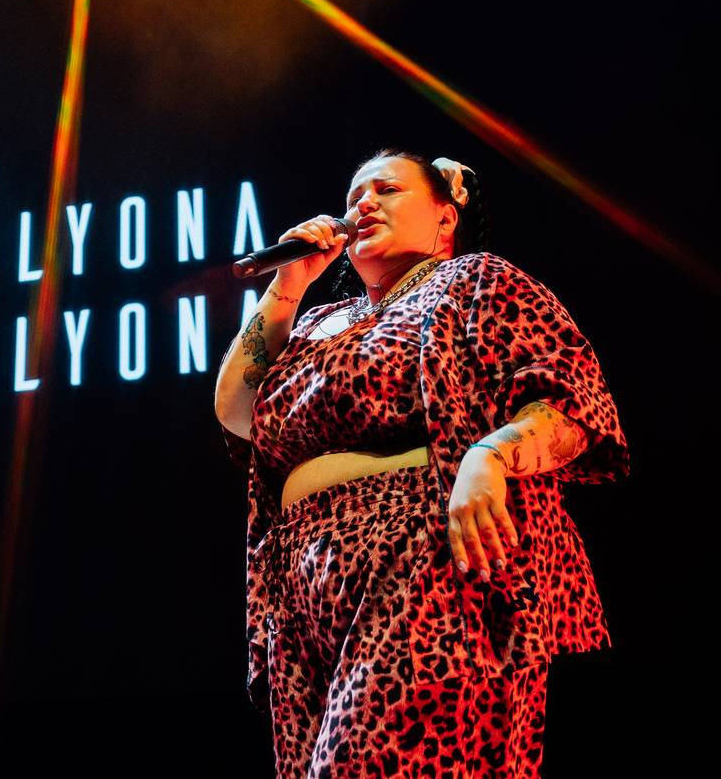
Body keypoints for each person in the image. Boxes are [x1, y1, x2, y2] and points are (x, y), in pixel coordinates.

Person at [213, 151, 628, 778]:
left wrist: (489, 454)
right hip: (305, 595)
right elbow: (237, 409)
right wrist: (290, 283)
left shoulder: (474, 281)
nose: (363, 204)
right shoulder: (321, 322)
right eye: (354, 195)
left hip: (427, 559)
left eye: (387, 189)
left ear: (444, 219)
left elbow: (572, 404)